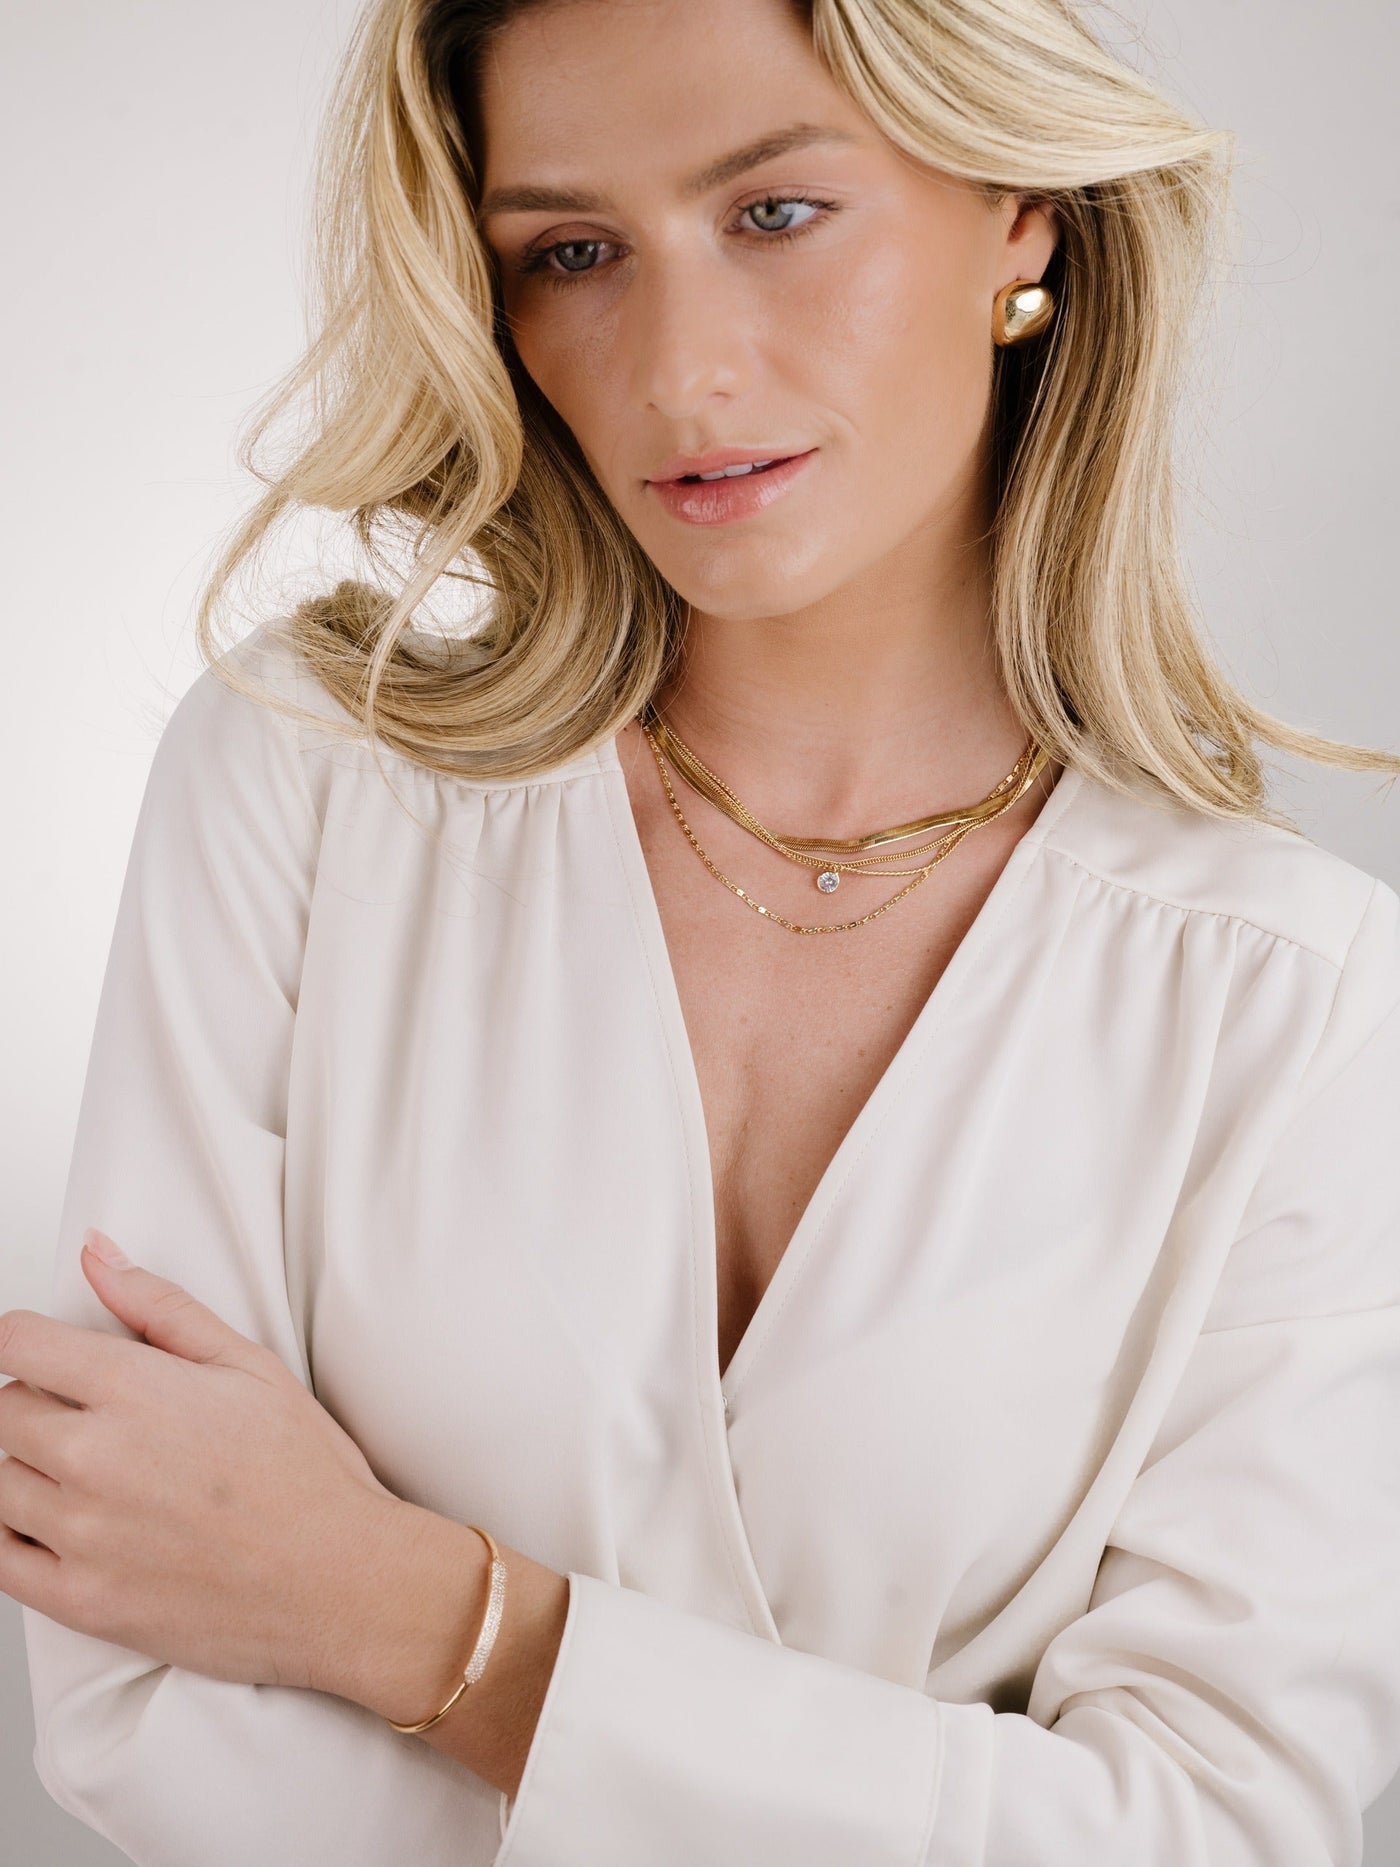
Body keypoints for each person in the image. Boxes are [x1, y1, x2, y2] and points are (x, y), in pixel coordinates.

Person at [5, 0, 1399, 1861]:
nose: (678, 371)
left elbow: (1215, 1834)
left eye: (775, 214)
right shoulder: (312, 786)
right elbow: (133, 1673)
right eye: (572, 253)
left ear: (1021, 217)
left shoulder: (1301, 1004)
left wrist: (410, 1617)